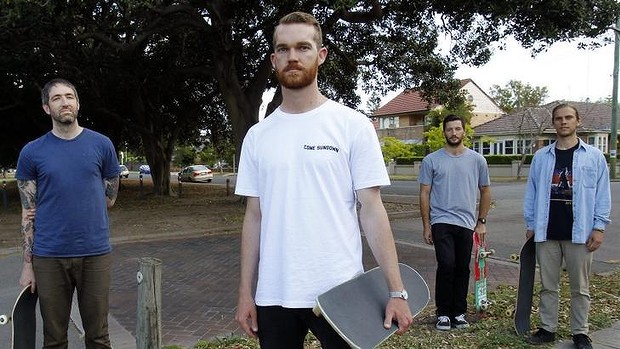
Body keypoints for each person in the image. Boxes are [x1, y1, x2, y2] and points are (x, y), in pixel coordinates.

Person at [234, 11, 413, 348]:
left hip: (340, 290)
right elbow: (253, 217)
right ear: (274, 60)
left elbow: (372, 210)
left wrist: (396, 290)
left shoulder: (352, 126)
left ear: (321, 54)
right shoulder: (257, 137)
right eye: (283, 50)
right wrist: (246, 293)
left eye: (303, 47)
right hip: (274, 294)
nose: (293, 57)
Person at [16, 78, 120, 348]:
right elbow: (28, 212)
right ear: (46, 108)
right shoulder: (31, 152)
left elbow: (110, 199)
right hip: (49, 257)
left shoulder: (102, 145)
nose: (65, 102)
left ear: (77, 103)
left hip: (95, 253)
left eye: (69, 96)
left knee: (99, 337)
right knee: (54, 339)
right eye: (57, 98)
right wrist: (28, 265)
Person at [523, 103, 611, 349]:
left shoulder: (593, 157)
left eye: (569, 117)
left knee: (580, 288)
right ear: (554, 123)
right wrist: (531, 224)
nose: (564, 122)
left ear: (577, 121)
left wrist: (600, 227)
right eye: (559, 118)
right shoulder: (542, 157)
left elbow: (603, 195)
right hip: (547, 231)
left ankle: (580, 333)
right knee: (548, 286)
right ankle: (547, 328)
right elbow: (532, 192)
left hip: (580, 233)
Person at [418, 114, 491, 331]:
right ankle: (443, 313)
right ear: (444, 133)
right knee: (447, 264)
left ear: (464, 131)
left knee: (462, 267)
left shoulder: (478, 160)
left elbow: (485, 191)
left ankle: (459, 312)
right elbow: (424, 193)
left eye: (457, 129)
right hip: (441, 220)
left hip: (467, 223)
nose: (454, 133)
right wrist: (426, 225)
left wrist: (482, 221)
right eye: (449, 129)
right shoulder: (431, 160)